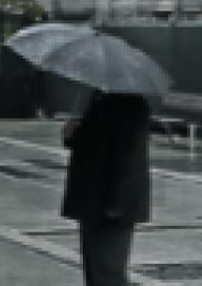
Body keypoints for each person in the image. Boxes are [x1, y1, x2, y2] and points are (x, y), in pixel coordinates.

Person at [62, 92, 152, 286]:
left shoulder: (131, 104)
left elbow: (130, 157)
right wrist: (72, 135)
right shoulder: (97, 98)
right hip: (92, 199)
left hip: (110, 203)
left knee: (109, 272)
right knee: (96, 271)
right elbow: (94, 142)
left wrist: (118, 203)